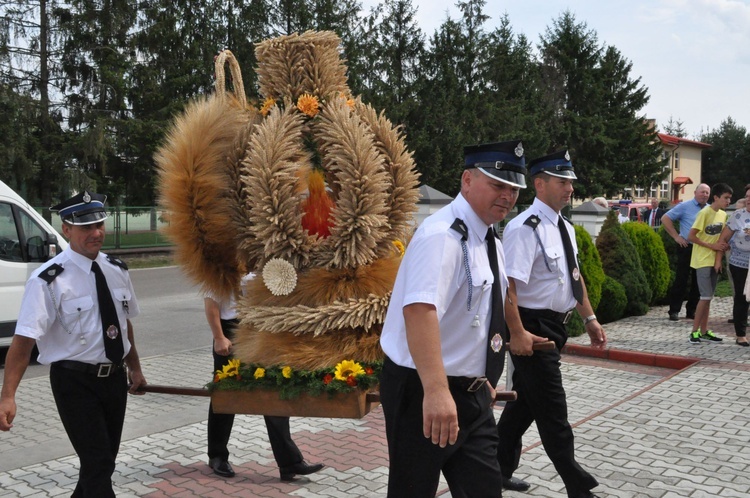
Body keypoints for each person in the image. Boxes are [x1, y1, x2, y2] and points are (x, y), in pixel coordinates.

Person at [379, 140, 527, 497]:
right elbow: (420, 312)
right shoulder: (441, 236)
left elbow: (484, 311)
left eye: (514, 189)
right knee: (412, 490)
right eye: (497, 185)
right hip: (424, 391)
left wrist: (484, 376)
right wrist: (437, 391)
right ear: (467, 180)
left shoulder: (488, 237)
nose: (507, 196)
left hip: (471, 394)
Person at [0, 191, 147, 497]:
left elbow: (123, 325)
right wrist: (8, 396)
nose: (96, 233)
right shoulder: (48, 280)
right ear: (66, 229)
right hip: (75, 382)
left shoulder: (117, 270)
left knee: (102, 463)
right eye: (85, 228)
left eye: (100, 225)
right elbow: (24, 342)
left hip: (114, 381)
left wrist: (135, 369)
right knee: (98, 462)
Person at [495, 150, 606, 498]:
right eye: (562, 181)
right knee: (553, 410)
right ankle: (577, 485)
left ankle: (496, 470)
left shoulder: (565, 228)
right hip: (532, 327)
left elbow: (574, 277)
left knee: (525, 406)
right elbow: (508, 287)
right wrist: (517, 332)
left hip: (556, 326)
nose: (569, 188)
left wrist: (589, 317)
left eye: (571, 182)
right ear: (539, 184)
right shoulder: (524, 228)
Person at [204, 274, 324, 481]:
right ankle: (217, 455)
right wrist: (218, 337)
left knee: (273, 392)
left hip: (259, 328)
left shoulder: (261, 260)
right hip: (230, 330)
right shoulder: (221, 262)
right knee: (225, 395)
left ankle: (289, 463)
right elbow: (211, 301)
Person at [687, 183, 732, 344]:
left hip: (714, 261)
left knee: (709, 297)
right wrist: (711, 246)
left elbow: (721, 240)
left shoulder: (722, 215)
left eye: (729, 198)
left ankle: (704, 331)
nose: (728, 201)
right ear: (716, 197)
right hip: (702, 260)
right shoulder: (704, 213)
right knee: (705, 297)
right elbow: (691, 236)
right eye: (725, 198)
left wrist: (719, 256)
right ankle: (694, 333)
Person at [661, 183, 711, 321]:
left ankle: (692, 311)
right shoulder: (685, 206)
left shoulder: (709, 209)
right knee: (681, 279)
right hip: (686, 247)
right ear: (695, 192)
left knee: (698, 281)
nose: (705, 195)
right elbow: (665, 218)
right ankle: (674, 310)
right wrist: (676, 237)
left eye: (707, 193)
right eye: (702, 192)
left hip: (702, 248)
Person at [716, 185, 750, 345]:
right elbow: (723, 240)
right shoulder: (738, 215)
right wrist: (718, 260)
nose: (749, 199)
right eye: (748, 196)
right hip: (740, 264)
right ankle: (740, 335)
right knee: (742, 298)